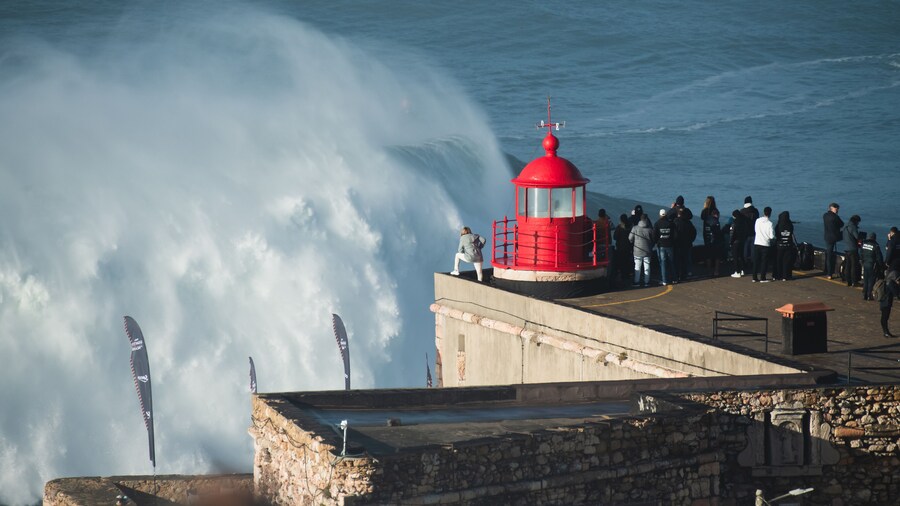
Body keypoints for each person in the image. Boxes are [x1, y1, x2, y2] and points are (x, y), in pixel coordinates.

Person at [629, 214, 654, 287]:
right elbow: (653, 239)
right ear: (646, 219)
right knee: (647, 266)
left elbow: (630, 238)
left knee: (637, 266)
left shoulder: (635, 228)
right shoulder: (649, 229)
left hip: (637, 250)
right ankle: (647, 282)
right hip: (647, 250)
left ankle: (636, 282)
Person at [752, 207, 775, 282]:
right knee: (764, 261)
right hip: (765, 244)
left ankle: (754, 277)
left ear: (764, 212)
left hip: (757, 242)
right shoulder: (770, 223)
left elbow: (755, 230)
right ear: (770, 213)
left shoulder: (758, 220)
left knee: (756, 261)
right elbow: (771, 236)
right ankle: (762, 277)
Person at [654, 209, 676, 286]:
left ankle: (664, 280)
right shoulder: (671, 223)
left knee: (663, 263)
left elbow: (655, 236)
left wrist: (656, 242)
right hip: (670, 245)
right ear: (666, 215)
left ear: (660, 215)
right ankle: (674, 279)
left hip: (661, 246)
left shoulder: (657, 224)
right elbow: (674, 234)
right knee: (671, 262)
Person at [673, 207, 696, 281]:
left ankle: (676, 275)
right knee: (684, 261)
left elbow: (673, 234)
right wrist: (690, 241)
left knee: (677, 261)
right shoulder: (688, 223)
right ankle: (683, 276)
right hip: (686, 244)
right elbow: (693, 233)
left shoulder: (675, 222)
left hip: (677, 245)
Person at [702, 198, 723, 276]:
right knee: (717, 254)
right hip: (716, 235)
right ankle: (716, 271)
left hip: (707, 233)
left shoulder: (705, 211)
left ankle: (709, 271)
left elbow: (702, 217)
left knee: (708, 253)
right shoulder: (716, 210)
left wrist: (705, 207)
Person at [823, 203, 843, 279]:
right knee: (830, 255)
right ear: (832, 208)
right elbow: (841, 224)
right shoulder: (835, 217)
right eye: (836, 209)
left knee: (829, 254)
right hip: (834, 237)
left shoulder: (825, 215)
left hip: (827, 237)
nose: (837, 211)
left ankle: (829, 273)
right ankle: (831, 272)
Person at [861, 232, 884, 300]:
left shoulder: (864, 245)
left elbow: (861, 254)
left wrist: (863, 261)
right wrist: (881, 265)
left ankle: (864, 294)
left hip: (865, 264)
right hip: (872, 265)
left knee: (865, 279)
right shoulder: (875, 246)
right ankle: (869, 295)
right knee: (871, 280)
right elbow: (879, 257)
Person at [774, 211, 796, 281]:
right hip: (788, 245)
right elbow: (791, 233)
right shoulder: (790, 225)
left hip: (779, 245)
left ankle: (778, 275)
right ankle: (786, 276)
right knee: (787, 261)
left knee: (778, 261)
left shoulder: (778, 225)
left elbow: (776, 234)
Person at [880, 261, 900, 337]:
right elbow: (893, 287)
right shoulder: (893, 276)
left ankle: (886, 331)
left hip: (884, 297)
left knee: (884, 314)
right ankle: (886, 332)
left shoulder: (888, 274)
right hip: (886, 298)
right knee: (885, 315)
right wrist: (897, 295)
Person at [740, 196, 760, 271]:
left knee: (745, 248)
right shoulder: (755, 211)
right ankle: (752, 263)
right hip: (754, 232)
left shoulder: (742, 211)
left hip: (745, 233)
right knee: (752, 249)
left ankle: (745, 262)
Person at [613, 214, 633, 286]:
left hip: (620, 247)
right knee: (627, 261)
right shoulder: (630, 227)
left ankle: (622, 275)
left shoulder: (619, 228)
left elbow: (615, 237)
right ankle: (627, 275)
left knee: (621, 262)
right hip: (628, 247)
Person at [842, 215, 862, 287]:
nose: (858, 223)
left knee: (847, 265)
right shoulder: (853, 227)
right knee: (854, 266)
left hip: (846, 248)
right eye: (858, 222)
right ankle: (854, 282)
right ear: (856, 221)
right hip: (853, 249)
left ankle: (848, 281)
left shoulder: (845, 226)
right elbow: (857, 237)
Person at [730, 209, 750, 278]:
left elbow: (732, 234)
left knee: (735, 257)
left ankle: (737, 272)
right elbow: (747, 231)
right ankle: (742, 270)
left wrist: (731, 242)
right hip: (742, 241)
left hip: (736, 242)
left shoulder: (734, 222)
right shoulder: (744, 221)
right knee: (741, 256)